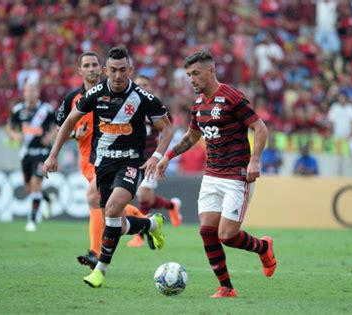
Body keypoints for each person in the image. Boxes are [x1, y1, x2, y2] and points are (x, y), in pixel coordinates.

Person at [43, 47, 173, 288]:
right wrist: (53, 155)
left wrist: (156, 156)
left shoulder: (143, 97)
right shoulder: (95, 94)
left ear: (130, 70)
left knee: (112, 210)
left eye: (122, 70)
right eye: (112, 70)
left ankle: (100, 269)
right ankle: (152, 224)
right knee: (117, 224)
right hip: (103, 164)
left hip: (132, 162)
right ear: (106, 70)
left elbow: (167, 128)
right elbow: (69, 121)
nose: (117, 75)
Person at [156, 51, 276, 298]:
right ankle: (226, 287)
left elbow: (260, 128)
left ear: (210, 71)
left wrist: (255, 161)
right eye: (189, 74)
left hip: (237, 175)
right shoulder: (198, 104)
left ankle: (263, 247)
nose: (191, 79)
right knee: (207, 231)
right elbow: (192, 136)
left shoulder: (232, 97)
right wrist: (167, 157)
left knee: (227, 235)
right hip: (211, 175)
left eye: (196, 73)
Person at [57, 52, 150, 269]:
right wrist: (73, 135)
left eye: (94, 65)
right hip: (87, 160)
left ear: (102, 69)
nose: (91, 69)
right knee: (110, 206)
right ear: (80, 70)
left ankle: (95, 253)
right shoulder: (73, 99)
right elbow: (60, 127)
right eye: (86, 65)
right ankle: (148, 223)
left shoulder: (114, 94)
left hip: (111, 158)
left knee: (97, 198)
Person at [127, 75, 182, 248]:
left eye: (145, 84)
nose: (142, 87)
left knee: (143, 195)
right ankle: (172, 206)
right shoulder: (127, 107)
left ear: (151, 87)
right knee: (146, 198)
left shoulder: (155, 107)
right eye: (139, 85)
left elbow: (168, 125)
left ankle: (140, 236)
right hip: (130, 157)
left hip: (151, 158)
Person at [6, 81, 57, 232]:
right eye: (27, 91)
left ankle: (32, 220)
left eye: (32, 90)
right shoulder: (18, 109)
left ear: (37, 92)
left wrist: (50, 136)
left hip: (42, 153)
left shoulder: (46, 110)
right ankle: (47, 199)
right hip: (26, 153)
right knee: (29, 189)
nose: (30, 93)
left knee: (36, 184)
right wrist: (15, 135)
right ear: (24, 93)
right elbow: (9, 127)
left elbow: (58, 126)